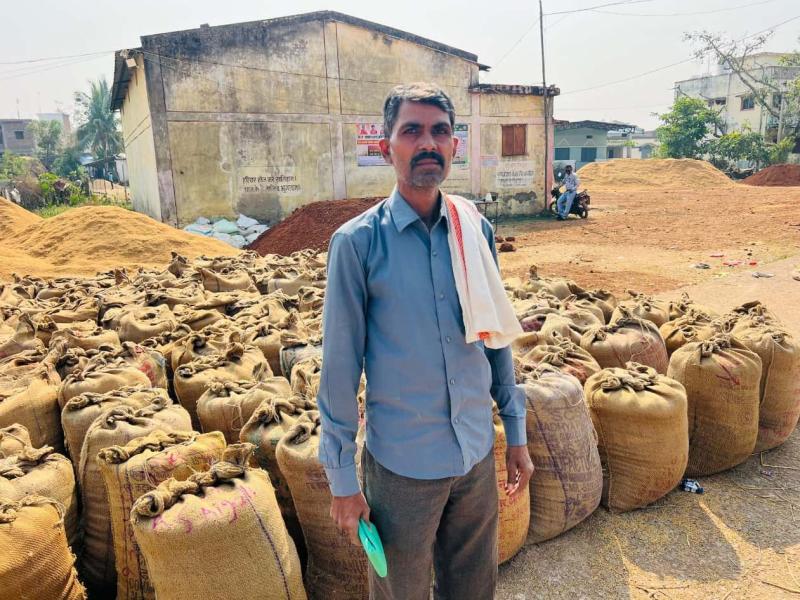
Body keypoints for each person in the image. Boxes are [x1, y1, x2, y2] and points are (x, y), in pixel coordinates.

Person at [317, 82, 533, 600]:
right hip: (402, 470)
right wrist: (342, 482)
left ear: (455, 145)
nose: (428, 143)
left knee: (474, 588)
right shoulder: (357, 243)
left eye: (440, 131)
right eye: (411, 131)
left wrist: (516, 432)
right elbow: (339, 371)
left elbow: (494, 337)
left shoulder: (473, 229)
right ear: (386, 147)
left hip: (474, 455)